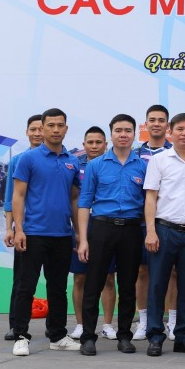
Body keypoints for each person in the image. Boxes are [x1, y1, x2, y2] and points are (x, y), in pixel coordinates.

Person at [9, 108, 82, 356]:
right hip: (33, 234)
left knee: (58, 288)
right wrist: (19, 229)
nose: (55, 129)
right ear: (42, 127)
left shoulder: (72, 161)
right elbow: (18, 195)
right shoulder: (28, 159)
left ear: (66, 128)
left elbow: (75, 199)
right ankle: (20, 335)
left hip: (61, 235)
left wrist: (78, 233)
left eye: (60, 125)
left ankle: (58, 335)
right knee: (25, 287)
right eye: (50, 125)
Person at [75, 114, 147, 355]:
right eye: (118, 130)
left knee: (127, 285)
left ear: (134, 134)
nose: (123, 134)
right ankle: (88, 337)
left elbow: (149, 203)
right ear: (111, 134)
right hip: (101, 228)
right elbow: (84, 202)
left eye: (128, 130)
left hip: (131, 230)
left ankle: (124, 336)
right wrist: (83, 239)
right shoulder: (96, 165)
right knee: (93, 283)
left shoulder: (143, 166)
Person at [142, 112, 185, 357]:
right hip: (164, 230)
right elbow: (150, 197)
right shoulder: (159, 160)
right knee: (157, 284)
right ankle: (155, 336)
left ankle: (183, 337)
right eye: (180, 129)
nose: (184, 133)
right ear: (171, 131)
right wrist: (151, 231)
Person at [1, 115, 44, 340]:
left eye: (41, 129)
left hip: (51, 231)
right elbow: (11, 197)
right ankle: (16, 326)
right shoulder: (18, 160)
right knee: (21, 282)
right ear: (27, 132)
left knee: (56, 285)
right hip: (25, 231)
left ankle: (55, 330)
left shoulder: (58, 159)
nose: (37, 133)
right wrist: (11, 228)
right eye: (33, 129)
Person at [134, 104, 173, 341]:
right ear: (146, 124)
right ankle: (144, 320)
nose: (156, 124)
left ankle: (172, 321)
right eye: (152, 120)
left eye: (161, 120)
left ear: (167, 125)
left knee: (173, 273)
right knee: (143, 271)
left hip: (168, 221)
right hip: (141, 222)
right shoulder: (136, 154)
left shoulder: (175, 153)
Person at [71, 126, 107, 340]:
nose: (94, 146)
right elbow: (73, 198)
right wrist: (78, 231)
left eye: (98, 142)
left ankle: (108, 325)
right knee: (80, 278)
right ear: (84, 145)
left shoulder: (112, 165)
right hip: (80, 226)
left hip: (105, 225)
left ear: (105, 145)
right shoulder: (74, 166)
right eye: (90, 142)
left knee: (108, 278)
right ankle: (80, 324)